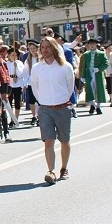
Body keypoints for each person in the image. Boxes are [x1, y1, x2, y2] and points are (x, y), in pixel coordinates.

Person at [29, 38, 76, 185]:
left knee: (64, 140)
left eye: (48, 47)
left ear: (54, 48)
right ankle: (51, 170)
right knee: (48, 141)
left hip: (62, 108)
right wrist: (43, 101)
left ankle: (64, 168)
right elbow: (35, 88)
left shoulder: (65, 67)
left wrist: (61, 100)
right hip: (45, 109)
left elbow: (70, 88)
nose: (45, 50)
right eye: (42, 47)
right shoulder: (37, 68)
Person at [78, 38, 108, 115]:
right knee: (89, 90)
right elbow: (84, 66)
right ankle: (92, 105)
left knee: (99, 90)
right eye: (90, 44)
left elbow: (106, 64)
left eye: (93, 44)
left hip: (98, 74)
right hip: (89, 74)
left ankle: (98, 106)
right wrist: (83, 75)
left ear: (96, 45)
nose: (91, 45)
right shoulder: (86, 54)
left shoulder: (101, 53)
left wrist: (98, 69)